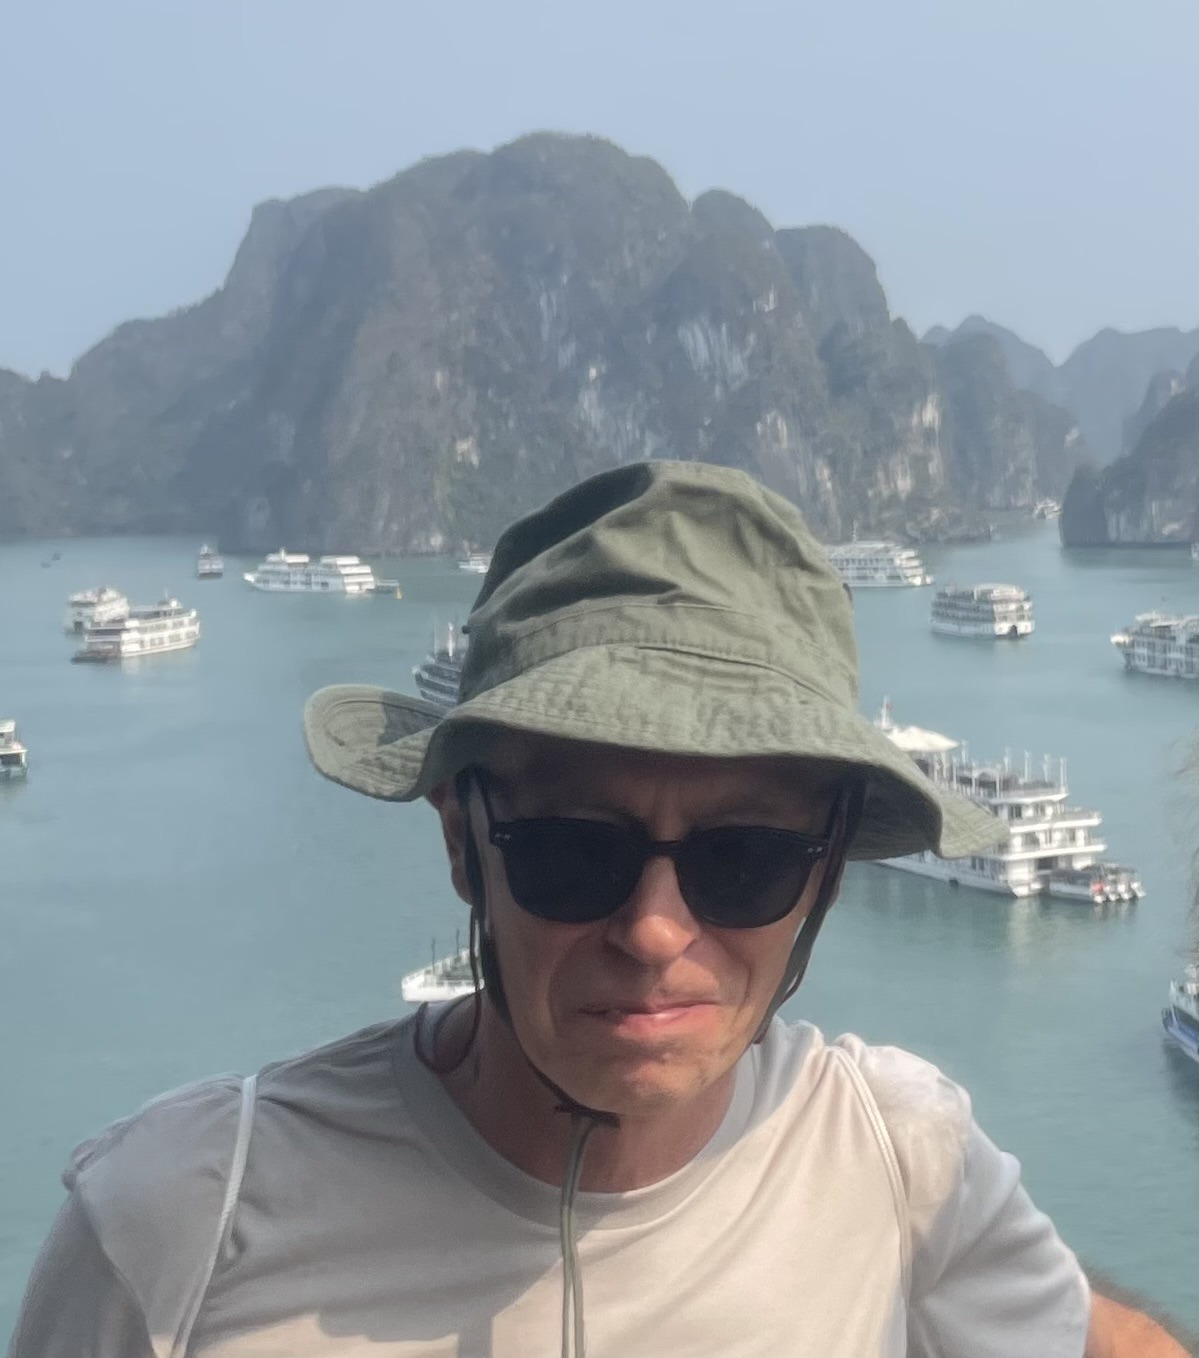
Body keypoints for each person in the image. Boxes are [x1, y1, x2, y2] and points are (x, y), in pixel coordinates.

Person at [7, 460, 1188, 1357]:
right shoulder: (184, 1220)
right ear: (462, 842)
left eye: (744, 858)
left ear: (824, 871)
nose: (655, 929)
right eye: (573, 849)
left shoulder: (899, 1157)